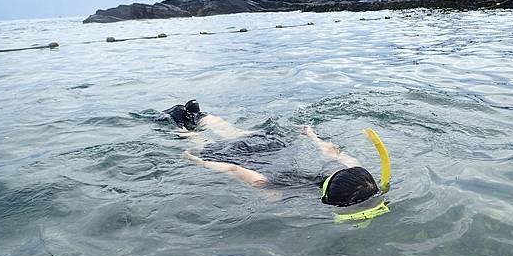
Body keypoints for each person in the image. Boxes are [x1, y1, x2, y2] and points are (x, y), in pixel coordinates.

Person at [165, 100, 391, 222]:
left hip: (276, 145)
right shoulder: (280, 192)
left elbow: (333, 151)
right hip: (244, 157)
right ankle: (183, 127)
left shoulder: (348, 168)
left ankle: (201, 116)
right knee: (202, 144)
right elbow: (234, 169)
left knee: (234, 132)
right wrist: (196, 161)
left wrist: (310, 134)